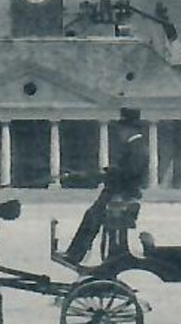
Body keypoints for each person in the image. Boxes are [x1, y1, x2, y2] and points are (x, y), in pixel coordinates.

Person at [60, 108, 151, 265]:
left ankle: (75, 255)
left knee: (93, 215)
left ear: (128, 129)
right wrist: (106, 172)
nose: (119, 133)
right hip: (119, 194)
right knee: (92, 214)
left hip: (120, 195)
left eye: (121, 129)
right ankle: (75, 254)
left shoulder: (136, 147)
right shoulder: (136, 145)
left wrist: (103, 174)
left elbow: (129, 173)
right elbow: (125, 170)